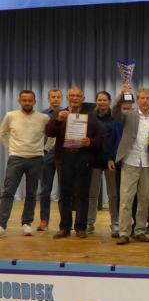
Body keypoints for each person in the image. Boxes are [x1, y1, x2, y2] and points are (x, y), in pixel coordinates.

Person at [45, 86, 103, 238]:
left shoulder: (90, 116)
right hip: (65, 158)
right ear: (67, 98)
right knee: (65, 194)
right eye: (71, 95)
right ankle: (64, 227)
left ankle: (80, 227)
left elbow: (99, 139)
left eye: (78, 96)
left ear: (83, 98)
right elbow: (49, 132)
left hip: (84, 159)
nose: (74, 98)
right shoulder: (60, 113)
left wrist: (90, 142)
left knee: (83, 194)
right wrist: (58, 120)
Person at [111, 88, 149, 244]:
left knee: (144, 199)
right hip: (130, 162)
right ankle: (124, 232)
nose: (145, 101)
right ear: (137, 100)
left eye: (148, 98)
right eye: (141, 98)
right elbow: (115, 113)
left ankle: (140, 230)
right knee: (126, 199)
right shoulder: (129, 115)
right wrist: (120, 98)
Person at [0, 90, 53, 237]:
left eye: (30, 100)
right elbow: (2, 133)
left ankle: (27, 223)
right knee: (8, 192)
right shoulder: (10, 115)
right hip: (16, 159)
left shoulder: (43, 118)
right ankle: (2, 224)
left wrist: (46, 149)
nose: (27, 103)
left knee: (31, 193)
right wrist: (10, 148)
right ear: (19, 101)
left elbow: (52, 136)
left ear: (34, 101)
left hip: (36, 159)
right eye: (24, 100)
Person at [86, 91, 120, 236]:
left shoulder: (115, 117)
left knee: (113, 194)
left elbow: (117, 140)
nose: (102, 102)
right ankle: (89, 223)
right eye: (99, 100)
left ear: (109, 101)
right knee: (92, 194)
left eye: (104, 100)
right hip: (94, 160)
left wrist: (111, 157)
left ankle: (115, 224)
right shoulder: (90, 117)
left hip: (111, 161)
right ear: (96, 101)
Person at [37, 89, 61, 231]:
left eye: (58, 97)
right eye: (53, 97)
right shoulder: (42, 115)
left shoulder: (67, 114)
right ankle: (44, 220)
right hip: (46, 156)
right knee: (45, 190)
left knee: (65, 191)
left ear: (61, 98)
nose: (55, 99)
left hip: (63, 157)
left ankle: (64, 223)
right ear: (48, 98)